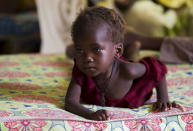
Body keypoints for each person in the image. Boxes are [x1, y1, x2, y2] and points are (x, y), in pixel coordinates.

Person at [64, 7, 183, 121]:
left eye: (96, 49)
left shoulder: (128, 70)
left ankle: (131, 52)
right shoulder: (82, 70)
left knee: (130, 61)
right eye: (79, 50)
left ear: (117, 50)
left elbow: (157, 69)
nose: (87, 58)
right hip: (115, 60)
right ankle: (131, 51)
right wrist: (90, 114)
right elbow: (70, 102)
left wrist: (163, 98)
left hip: (126, 71)